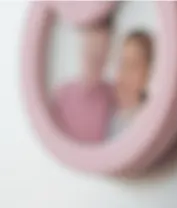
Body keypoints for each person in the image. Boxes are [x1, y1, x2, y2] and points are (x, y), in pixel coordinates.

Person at [50, 16, 116, 144]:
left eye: (102, 52)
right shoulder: (61, 97)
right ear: (82, 47)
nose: (96, 58)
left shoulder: (114, 95)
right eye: (91, 51)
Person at [109, 30, 154, 138]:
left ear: (147, 73)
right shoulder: (111, 117)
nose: (124, 74)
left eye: (133, 66)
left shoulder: (149, 121)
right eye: (122, 64)